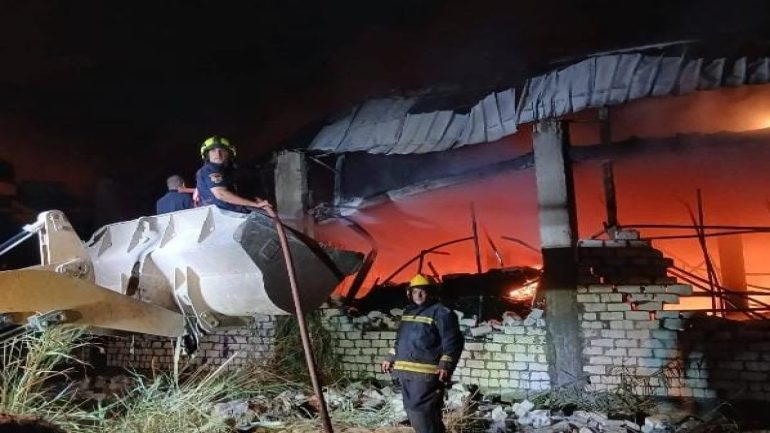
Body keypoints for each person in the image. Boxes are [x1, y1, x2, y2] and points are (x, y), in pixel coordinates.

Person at [381, 274, 465, 433]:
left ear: (431, 292)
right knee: (416, 410)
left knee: (420, 411)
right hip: (405, 371)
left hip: (425, 374)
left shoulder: (442, 312)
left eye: (423, 291)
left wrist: (445, 364)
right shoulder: (408, 312)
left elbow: (453, 341)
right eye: (415, 291)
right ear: (409, 293)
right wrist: (391, 356)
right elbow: (400, 340)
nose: (418, 295)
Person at [195, 135, 271, 212]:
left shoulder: (225, 172)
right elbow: (221, 194)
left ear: (228, 153)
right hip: (225, 215)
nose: (218, 154)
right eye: (213, 150)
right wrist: (255, 204)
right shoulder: (210, 169)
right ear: (207, 155)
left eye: (222, 150)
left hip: (230, 213)